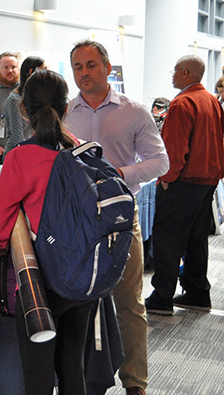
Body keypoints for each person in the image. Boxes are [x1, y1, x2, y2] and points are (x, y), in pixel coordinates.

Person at [64, 40, 168, 395]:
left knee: (128, 303)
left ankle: (135, 383)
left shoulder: (134, 111)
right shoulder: (65, 114)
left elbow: (160, 162)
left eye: (91, 65)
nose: (84, 73)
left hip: (121, 221)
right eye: (78, 67)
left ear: (108, 68)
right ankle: (82, 381)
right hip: (78, 226)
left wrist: (118, 175)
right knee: (78, 304)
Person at [0, 69, 94, 395]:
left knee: (38, 377)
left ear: (23, 109)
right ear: (66, 109)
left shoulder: (20, 157)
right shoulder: (84, 150)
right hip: (83, 277)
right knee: (72, 369)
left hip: (40, 281)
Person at [146, 55, 224, 316]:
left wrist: (167, 179)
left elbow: (174, 149)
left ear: (187, 73)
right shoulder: (212, 100)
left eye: (176, 70)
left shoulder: (182, 103)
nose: (172, 74)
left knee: (168, 239)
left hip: (183, 181)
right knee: (196, 239)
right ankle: (197, 292)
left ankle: (162, 297)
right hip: (207, 182)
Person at [3, 56, 46, 154]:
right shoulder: (14, 100)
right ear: (31, 72)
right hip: (17, 155)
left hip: (32, 152)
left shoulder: (33, 97)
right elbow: (18, 139)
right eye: (43, 70)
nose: (46, 75)